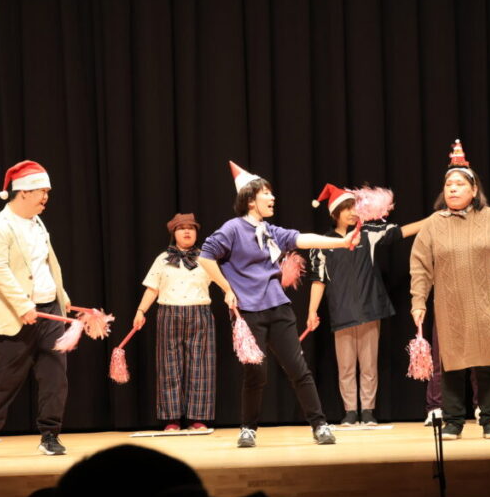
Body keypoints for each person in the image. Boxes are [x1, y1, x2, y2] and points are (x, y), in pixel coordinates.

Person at [198, 161, 359, 448]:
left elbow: (302, 239)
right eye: (266, 193)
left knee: (298, 369)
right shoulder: (233, 229)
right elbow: (205, 256)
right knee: (255, 373)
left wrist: (342, 242)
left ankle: (320, 425)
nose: (272, 197)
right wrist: (226, 288)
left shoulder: (270, 231)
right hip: (249, 312)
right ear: (250, 200)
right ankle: (248, 429)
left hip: (278, 308)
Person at [409, 140, 490, 440]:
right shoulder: (433, 225)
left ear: (474, 189)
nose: (453, 189)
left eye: (459, 184)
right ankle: (453, 421)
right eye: (448, 185)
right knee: (452, 365)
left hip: (488, 306)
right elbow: (420, 266)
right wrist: (418, 301)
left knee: (488, 363)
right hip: (451, 307)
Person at [0, 161, 72, 458]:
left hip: (49, 311)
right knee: (4, 379)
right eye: (42, 191)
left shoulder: (38, 222)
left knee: (55, 377)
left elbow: (46, 263)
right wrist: (23, 305)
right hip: (16, 315)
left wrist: (61, 295)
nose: (46, 197)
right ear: (23, 192)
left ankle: (50, 434)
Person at [306, 183, 426, 426]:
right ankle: (350, 411)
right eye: (347, 208)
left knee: (369, 364)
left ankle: (368, 411)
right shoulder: (322, 243)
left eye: (355, 208)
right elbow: (318, 280)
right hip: (341, 312)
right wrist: (311, 312)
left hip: (370, 309)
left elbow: (401, 232)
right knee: (346, 366)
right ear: (335, 212)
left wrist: (433, 220)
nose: (353, 212)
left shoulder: (368, 233)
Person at [133, 212, 215, 431]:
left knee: (200, 365)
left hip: (200, 313)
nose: (187, 231)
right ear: (174, 233)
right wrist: (141, 311)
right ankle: (172, 418)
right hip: (169, 313)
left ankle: (198, 418)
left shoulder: (206, 258)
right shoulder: (162, 259)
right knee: (169, 365)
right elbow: (152, 288)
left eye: (191, 228)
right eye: (181, 228)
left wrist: (231, 294)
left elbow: (224, 280)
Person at [424, 282, 490, 426]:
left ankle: (481, 407)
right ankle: (437, 407)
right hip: (447, 308)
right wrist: (419, 302)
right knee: (443, 359)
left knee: (479, 359)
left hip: (476, 308)